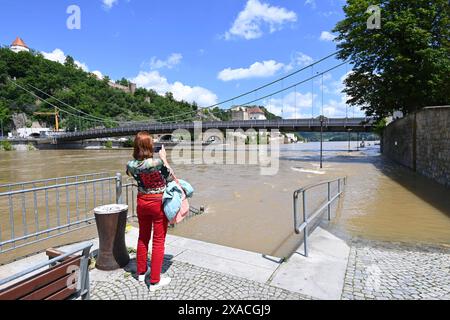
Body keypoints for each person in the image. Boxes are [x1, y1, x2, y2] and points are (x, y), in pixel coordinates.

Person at [126, 131, 174, 291]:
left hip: (142, 203)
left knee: (143, 237)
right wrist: (165, 158)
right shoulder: (157, 163)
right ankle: (154, 281)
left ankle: (141, 272)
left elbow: (136, 171)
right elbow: (170, 178)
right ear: (149, 146)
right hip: (157, 203)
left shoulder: (130, 165)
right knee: (158, 241)